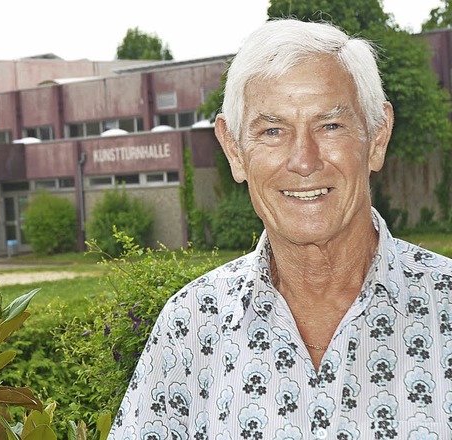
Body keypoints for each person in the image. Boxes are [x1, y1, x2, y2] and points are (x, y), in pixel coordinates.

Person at [107, 18, 452, 439]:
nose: (304, 160)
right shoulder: (193, 324)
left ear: (377, 136)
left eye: (330, 126)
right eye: (273, 130)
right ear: (234, 150)